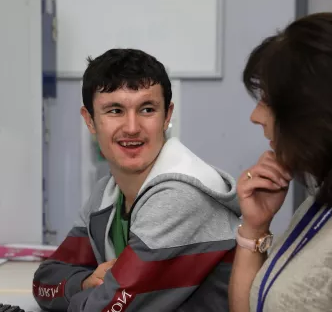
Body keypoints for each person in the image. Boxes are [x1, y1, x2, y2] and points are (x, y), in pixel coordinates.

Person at [33, 48, 241, 311]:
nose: (132, 127)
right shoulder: (107, 193)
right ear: (90, 121)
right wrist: (85, 282)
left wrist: (91, 295)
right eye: (115, 110)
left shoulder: (180, 197)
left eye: (146, 109)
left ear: (167, 116)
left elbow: (104, 309)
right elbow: (45, 281)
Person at [229, 12, 332, 312]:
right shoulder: (325, 201)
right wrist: (255, 228)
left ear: (318, 114)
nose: (256, 117)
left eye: (268, 102)